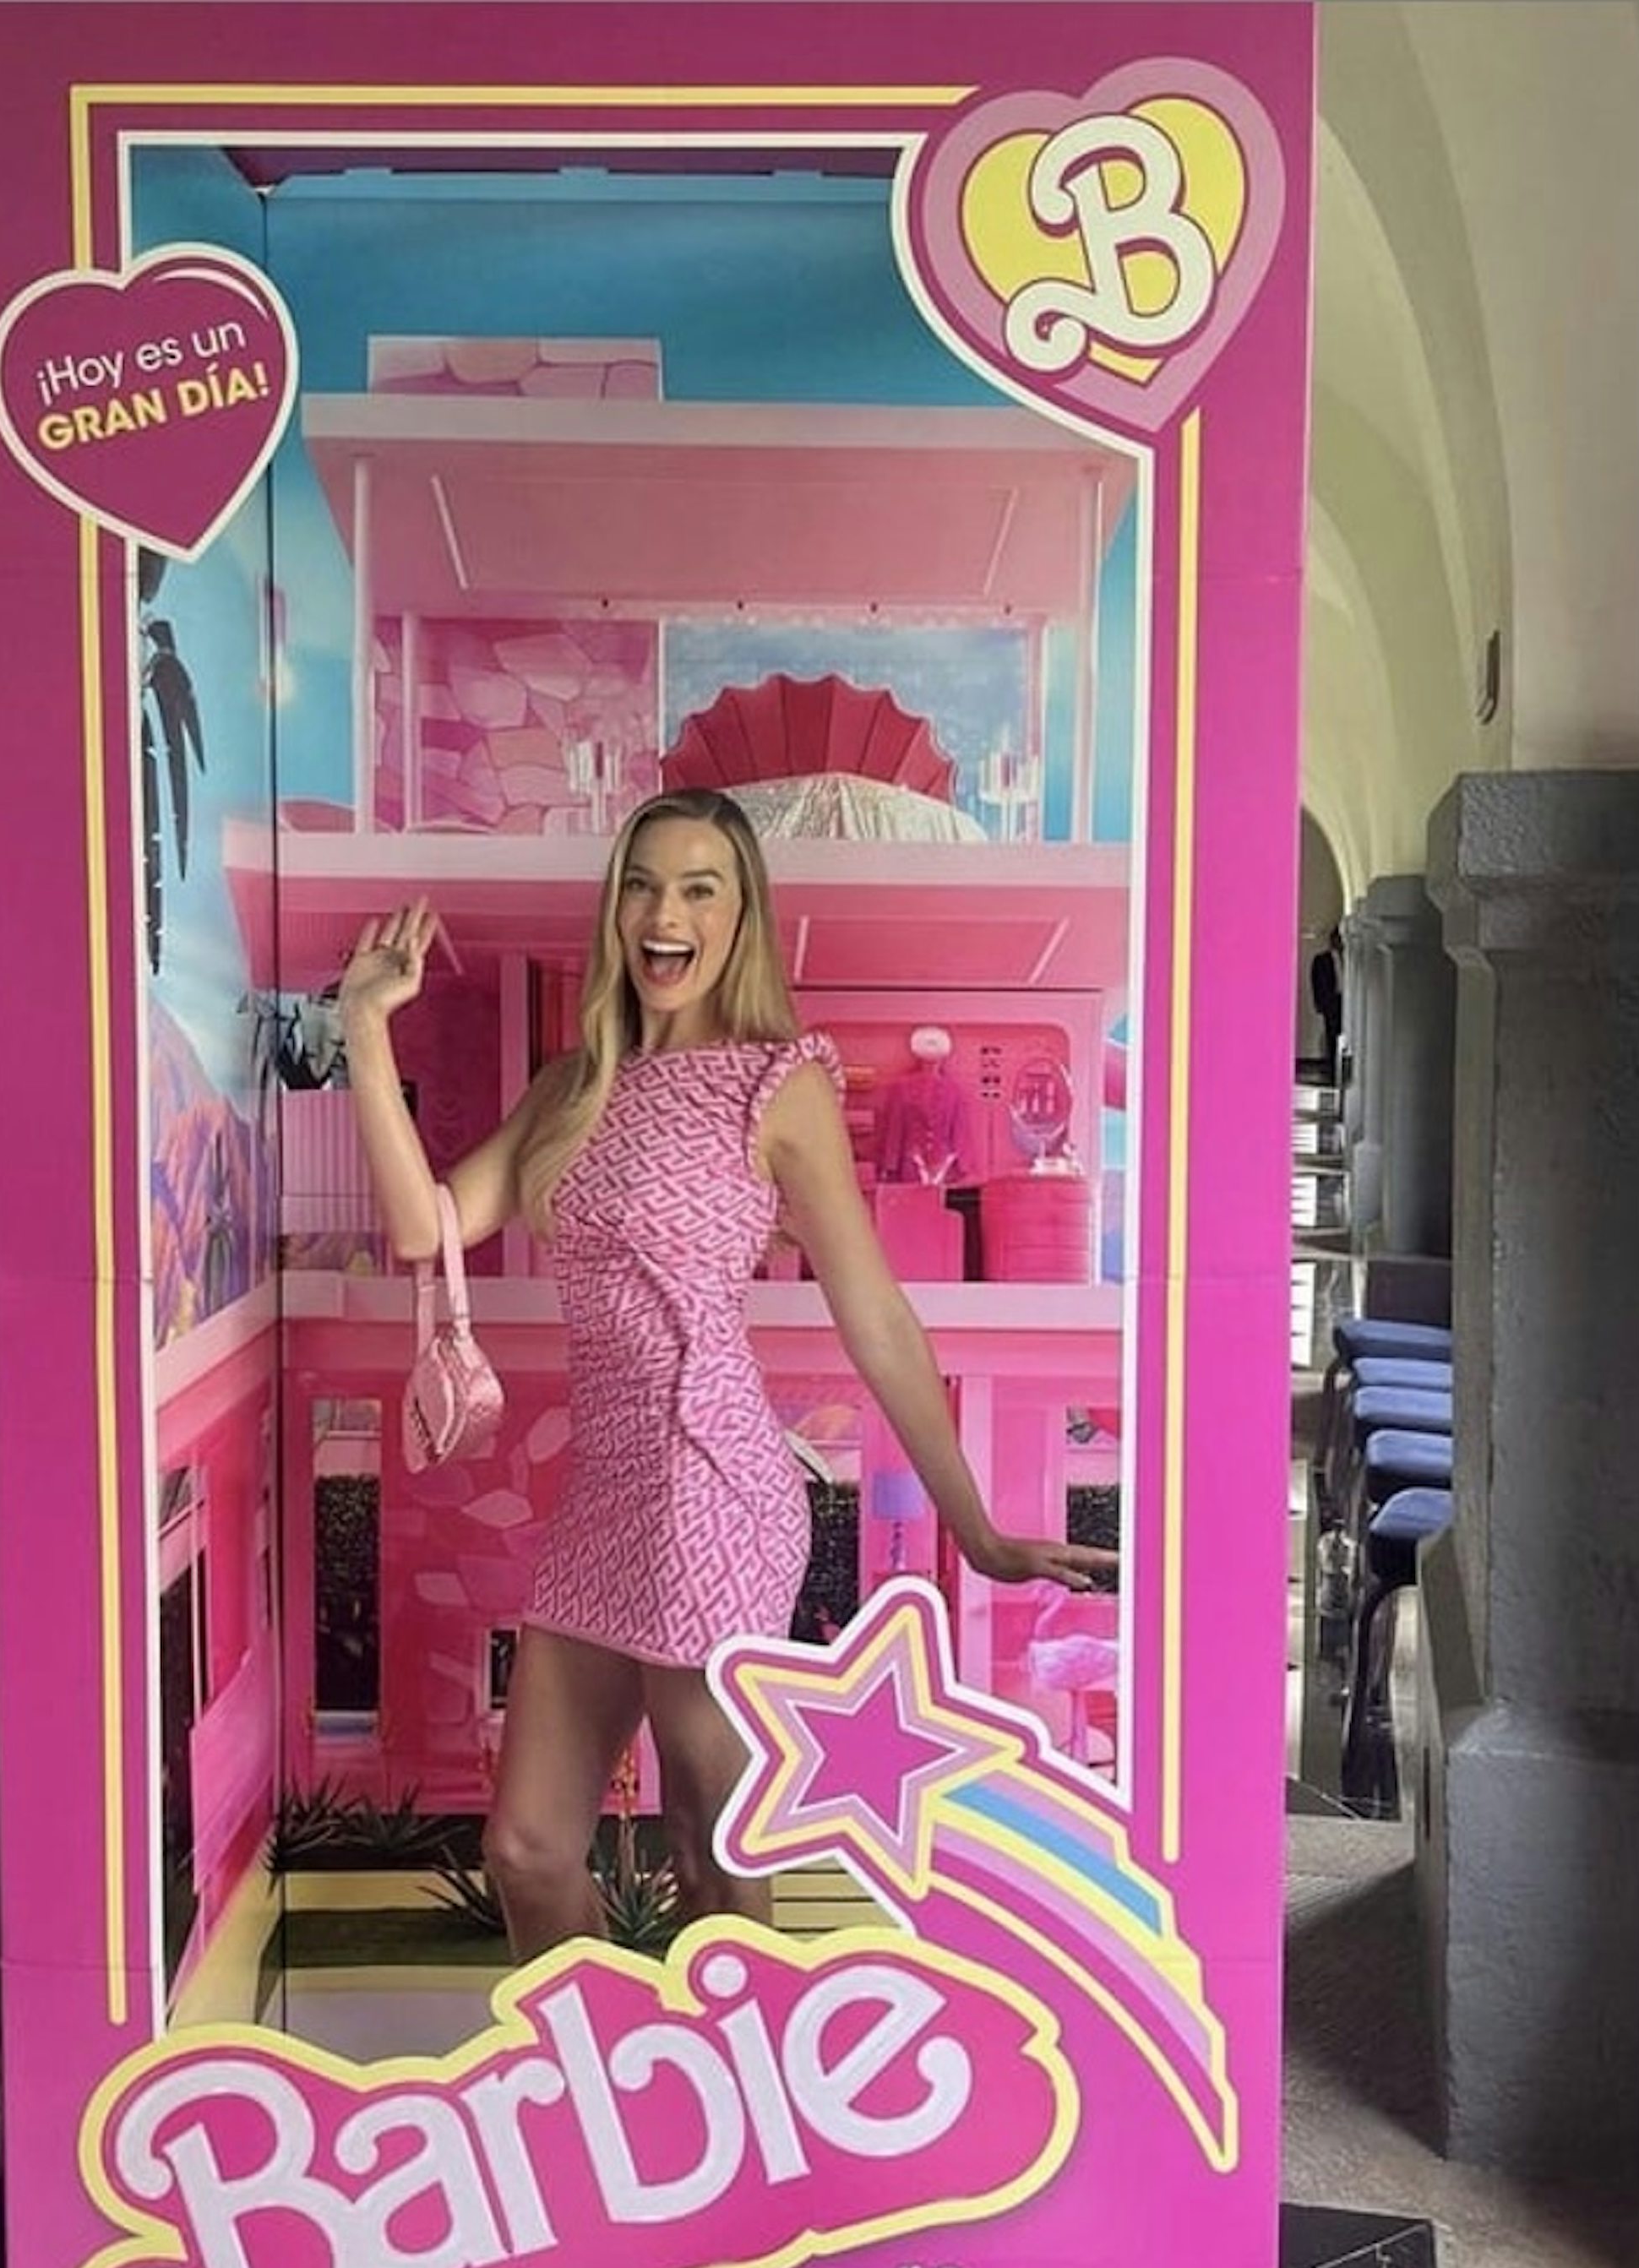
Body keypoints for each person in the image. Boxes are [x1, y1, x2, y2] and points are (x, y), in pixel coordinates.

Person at [341, 787, 1114, 1961]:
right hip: (606, 1494)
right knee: (530, 1847)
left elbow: (876, 1316)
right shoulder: (570, 1086)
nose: (667, 915)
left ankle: (758, 2081)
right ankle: (602, 2065)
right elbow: (425, 1227)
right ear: (617, 910)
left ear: (740, 916)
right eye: (645, 886)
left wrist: (977, 1529)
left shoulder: (775, 1081)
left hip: (712, 1483)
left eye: (700, 889)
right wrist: (364, 1028)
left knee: (711, 1852)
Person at [1309, 925, 1343, 1082]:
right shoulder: (1322, 960)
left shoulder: (1349, 959)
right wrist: (1319, 1003)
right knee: (1332, 1035)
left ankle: (1341, 1069)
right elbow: (1316, 982)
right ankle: (1333, 1070)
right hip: (1331, 1002)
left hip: (1346, 1000)